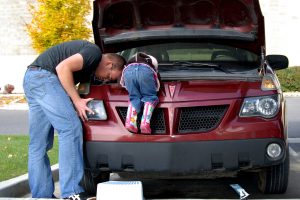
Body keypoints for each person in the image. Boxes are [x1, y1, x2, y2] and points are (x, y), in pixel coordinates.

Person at [22, 40, 125, 200]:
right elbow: (62, 68)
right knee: (70, 129)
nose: (106, 80)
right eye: (110, 77)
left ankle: (42, 196)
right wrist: (77, 101)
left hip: (32, 77)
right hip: (45, 77)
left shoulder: (88, 68)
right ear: (110, 64)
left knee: (39, 144)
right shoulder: (94, 53)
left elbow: (64, 83)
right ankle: (72, 192)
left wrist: (70, 103)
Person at [120, 52, 160, 134]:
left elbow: (125, 85)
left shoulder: (132, 60)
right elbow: (156, 84)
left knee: (134, 98)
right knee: (150, 97)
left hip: (127, 71)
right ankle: (145, 123)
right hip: (145, 71)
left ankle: (131, 123)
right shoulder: (151, 64)